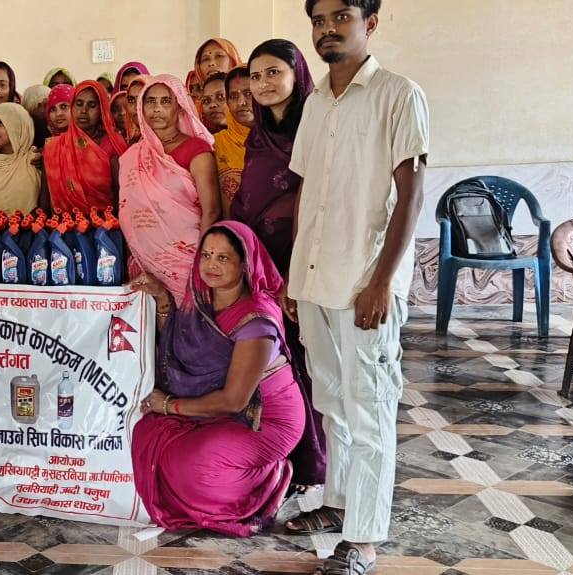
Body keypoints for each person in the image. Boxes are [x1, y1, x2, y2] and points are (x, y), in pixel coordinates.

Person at [281, 2, 429, 573]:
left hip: (365, 282)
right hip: (316, 278)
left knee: (369, 408)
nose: (327, 29)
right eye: (318, 20)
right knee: (331, 400)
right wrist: (296, 274)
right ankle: (340, 503)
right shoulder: (316, 101)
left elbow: (411, 194)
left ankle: (363, 539)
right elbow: (307, 191)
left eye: (341, 16)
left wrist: (382, 281)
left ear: (370, 22)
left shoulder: (398, 94)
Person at [130, 221, 305, 537]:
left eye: (223, 258)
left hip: (264, 418)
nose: (211, 265)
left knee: (193, 467)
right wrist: (163, 299)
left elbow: (234, 400)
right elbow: (178, 347)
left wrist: (169, 405)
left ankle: (269, 480)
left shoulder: (256, 319)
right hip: (219, 412)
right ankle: (230, 476)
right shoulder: (200, 300)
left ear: (245, 264)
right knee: (148, 433)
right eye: (207, 255)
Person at [231, 38, 327, 495]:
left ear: (296, 73)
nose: (263, 83)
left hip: (299, 264)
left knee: (304, 361)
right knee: (271, 364)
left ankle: (312, 463)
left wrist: (297, 272)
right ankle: (277, 456)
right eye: (256, 75)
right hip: (260, 265)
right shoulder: (258, 136)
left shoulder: (314, 127)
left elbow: (316, 201)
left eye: (274, 72)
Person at [120, 75, 218, 301]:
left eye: (166, 101)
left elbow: (211, 211)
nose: (157, 109)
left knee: (189, 316)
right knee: (151, 318)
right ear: (141, 107)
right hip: (144, 260)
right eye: (150, 101)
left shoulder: (197, 150)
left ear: (179, 107)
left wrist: (203, 260)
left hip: (188, 259)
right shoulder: (133, 154)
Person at [43, 80, 127, 215]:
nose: (83, 111)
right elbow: (45, 201)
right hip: (63, 224)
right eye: (79, 104)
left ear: (102, 110)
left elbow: (123, 197)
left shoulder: (113, 143)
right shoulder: (53, 147)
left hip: (106, 224)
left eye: (92, 105)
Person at [215, 66, 253, 217]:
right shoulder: (216, 143)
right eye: (233, 96)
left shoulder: (280, 141)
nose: (241, 102)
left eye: (248, 93)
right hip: (233, 228)